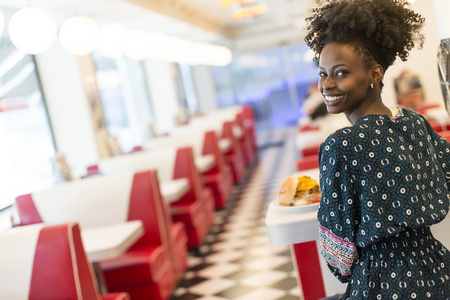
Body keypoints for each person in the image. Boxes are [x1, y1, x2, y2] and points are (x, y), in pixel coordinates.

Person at [304, 0, 450, 299]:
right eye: (322, 73)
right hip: (438, 270)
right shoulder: (415, 122)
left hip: (382, 283)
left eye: (340, 73)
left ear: (374, 74)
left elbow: (339, 258)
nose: (327, 85)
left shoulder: (340, 146)